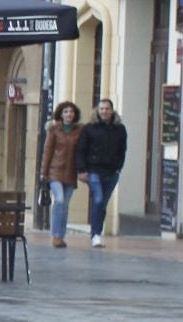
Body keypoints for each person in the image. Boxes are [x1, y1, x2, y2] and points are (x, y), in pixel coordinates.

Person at [76, 98, 126, 248]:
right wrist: (81, 169)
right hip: (93, 170)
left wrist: (119, 167)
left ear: (112, 110)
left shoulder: (120, 129)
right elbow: (81, 150)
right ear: (97, 111)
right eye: (102, 108)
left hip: (112, 171)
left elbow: (123, 149)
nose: (104, 111)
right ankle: (95, 235)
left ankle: (97, 232)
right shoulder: (89, 128)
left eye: (107, 108)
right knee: (98, 199)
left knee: (103, 203)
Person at [39, 102, 84, 248]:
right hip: (55, 171)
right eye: (66, 112)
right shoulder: (54, 130)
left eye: (71, 112)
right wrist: (43, 172)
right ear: (61, 114)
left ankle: (61, 235)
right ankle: (56, 235)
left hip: (71, 172)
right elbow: (47, 151)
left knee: (65, 205)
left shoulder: (79, 131)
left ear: (75, 114)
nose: (69, 114)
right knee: (59, 200)